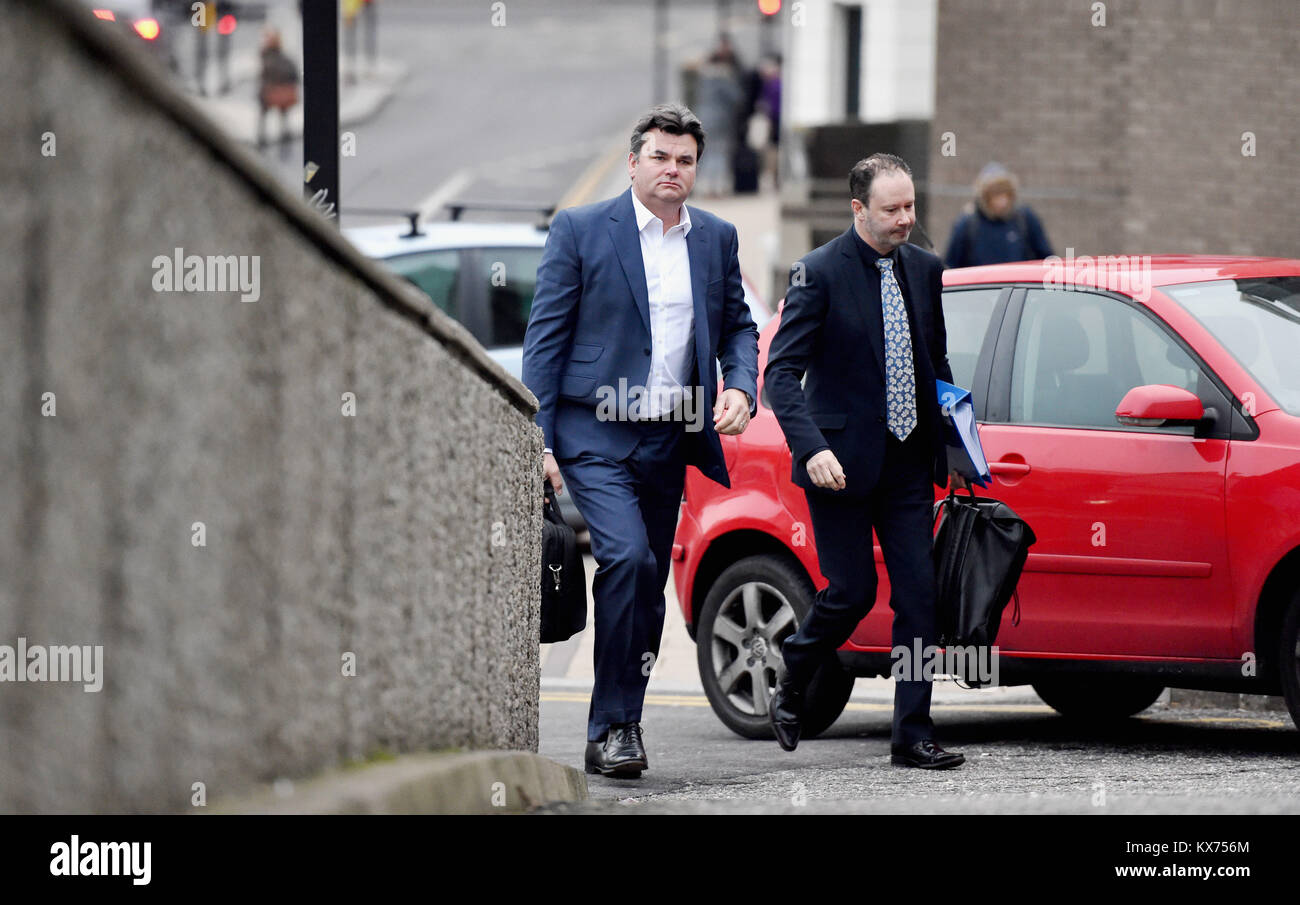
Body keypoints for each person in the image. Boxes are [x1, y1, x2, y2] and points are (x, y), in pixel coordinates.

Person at [522, 104, 759, 778]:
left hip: (668, 438)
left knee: (649, 581)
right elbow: (545, 341)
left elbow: (739, 326)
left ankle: (625, 720)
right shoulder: (581, 230)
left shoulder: (715, 238)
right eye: (660, 156)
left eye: (684, 160)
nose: (672, 169)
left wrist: (739, 383)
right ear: (634, 162)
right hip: (593, 432)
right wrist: (534, 439)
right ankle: (611, 725)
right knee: (624, 559)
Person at [764, 153, 967, 770]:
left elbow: (936, 366)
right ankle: (795, 671)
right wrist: (812, 447)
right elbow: (780, 374)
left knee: (919, 598)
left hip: (908, 463)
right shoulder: (817, 273)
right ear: (859, 209)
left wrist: (958, 446)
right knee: (851, 594)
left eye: (910, 206)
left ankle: (913, 733)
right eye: (892, 209)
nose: (906, 219)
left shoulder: (926, 269)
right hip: (840, 464)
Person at [944, 162, 1053, 268]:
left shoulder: (1024, 219)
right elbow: (951, 264)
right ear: (985, 197)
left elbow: (1046, 257)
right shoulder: (968, 224)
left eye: (1005, 194)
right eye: (995, 195)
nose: (1002, 201)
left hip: (1020, 284)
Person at [256, 27, 299, 153]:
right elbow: (292, 74)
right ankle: (282, 136)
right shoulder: (280, 58)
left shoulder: (267, 58)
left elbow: (265, 75)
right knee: (281, 115)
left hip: (270, 92)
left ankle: (264, 138)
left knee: (267, 115)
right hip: (277, 92)